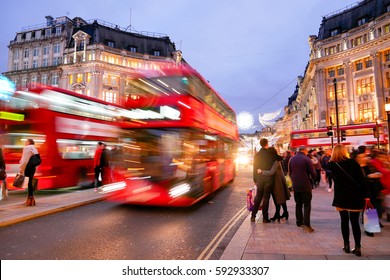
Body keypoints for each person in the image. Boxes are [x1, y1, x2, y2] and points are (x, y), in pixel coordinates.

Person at [328, 144, 369, 257]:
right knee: (355, 222)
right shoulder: (353, 163)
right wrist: (366, 195)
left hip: (341, 197)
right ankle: (357, 247)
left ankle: (346, 245)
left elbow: (325, 165)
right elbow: (362, 180)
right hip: (355, 197)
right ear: (345, 152)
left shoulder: (332, 165)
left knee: (344, 221)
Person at [288, 145, 316, 232]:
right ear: (304, 151)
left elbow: (290, 172)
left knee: (298, 204)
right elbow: (313, 173)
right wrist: (314, 179)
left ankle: (299, 221)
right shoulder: (306, 159)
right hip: (305, 185)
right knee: (307, 204)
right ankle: (306, 224)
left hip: (296, 185)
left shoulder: (291, 159)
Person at [258, 147, 290, 222]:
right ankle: (283, 213)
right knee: (280, 198)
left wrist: (262, 171)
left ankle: (279, 214)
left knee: (279, 198)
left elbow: (272, 172)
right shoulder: (275, 159)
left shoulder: (276, 161)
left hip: (278, 182)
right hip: (277, 181)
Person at [250, 138, 276, 223]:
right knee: (266, 198)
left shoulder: (257, 155)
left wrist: (255, 179)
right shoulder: (270, 154)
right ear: (267, 144)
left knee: (258, 197)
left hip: (260, 178)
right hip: (268, 178)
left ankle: (253, 216)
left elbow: (254, 168)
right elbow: (277, 161)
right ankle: (265, 218)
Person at [19, 138, 39, 206]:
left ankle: (30, 199)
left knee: (28, 183)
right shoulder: (34, 148)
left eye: (26, 141)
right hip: (33, 168)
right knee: (30, 182)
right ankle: (31, 198)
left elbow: (25, 160)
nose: (25, 142)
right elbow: (37, 158)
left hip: (27, 167)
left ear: (29, 142)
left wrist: (21, 168)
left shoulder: (26, 148)